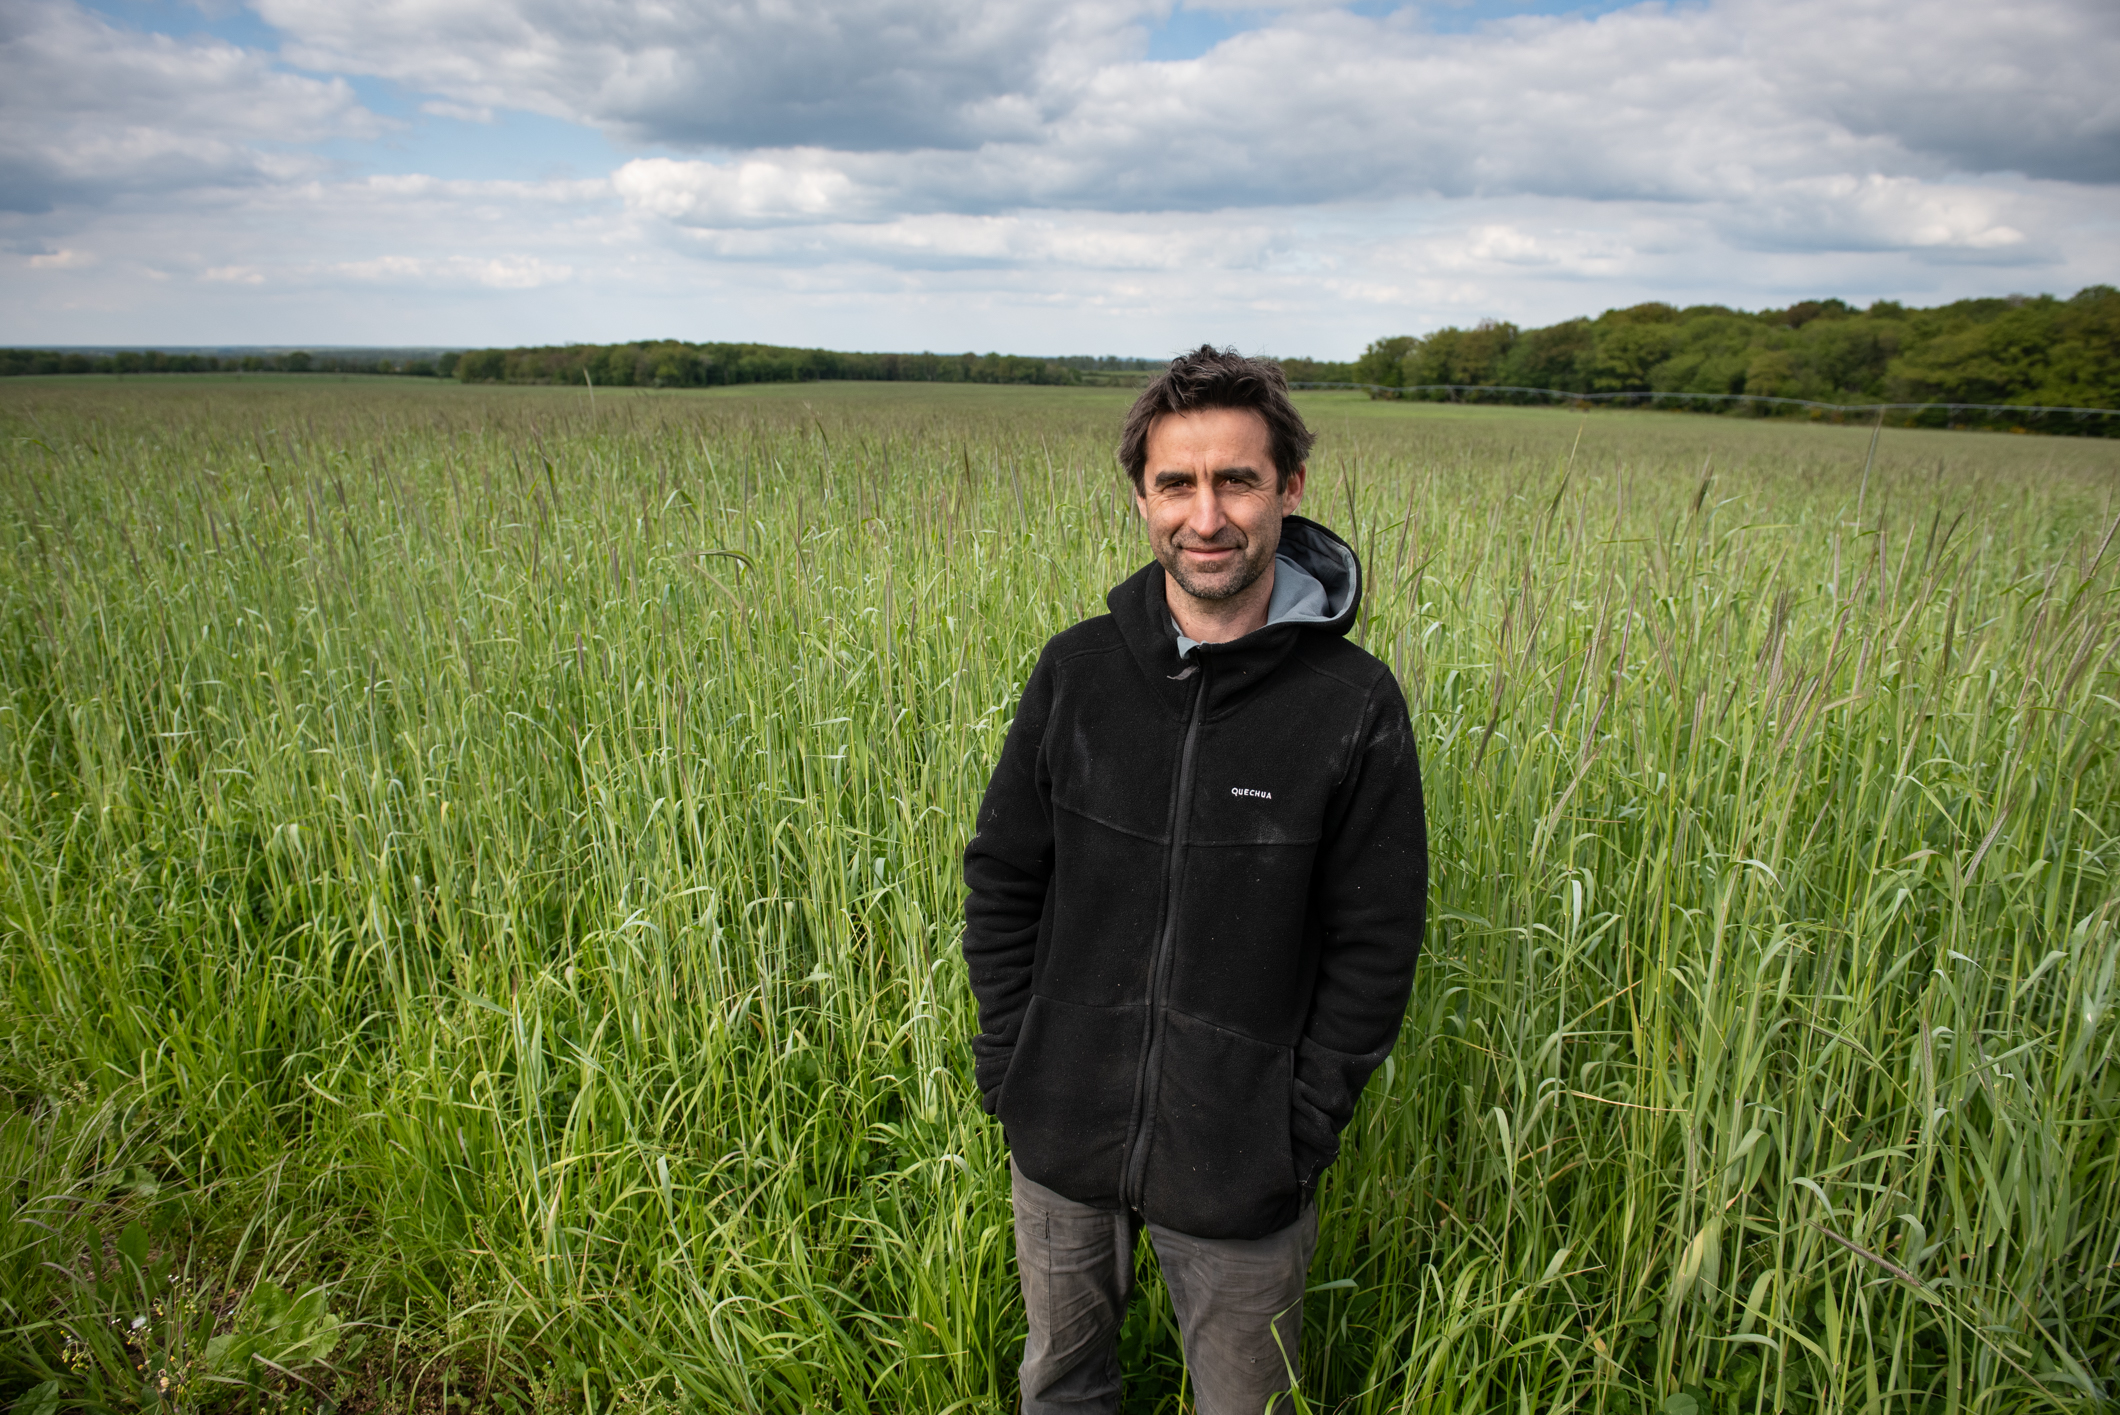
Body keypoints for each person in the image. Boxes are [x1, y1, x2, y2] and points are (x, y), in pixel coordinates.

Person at [961, 345, 1428, 1413]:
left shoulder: (1351, 704)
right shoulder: (1077, 671)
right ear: (1141, 496)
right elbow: (1003, 878)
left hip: (1241, 1164)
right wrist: (1013, 1068)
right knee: (1061, 1386)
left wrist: (1298, 1125)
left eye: (1236, 480)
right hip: (1059, 1133)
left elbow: (1375, 942)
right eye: (1176, 483)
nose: (1205, 516)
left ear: (1289, 488)